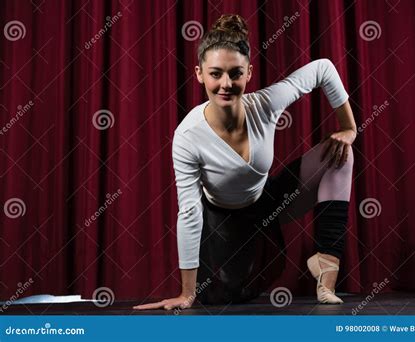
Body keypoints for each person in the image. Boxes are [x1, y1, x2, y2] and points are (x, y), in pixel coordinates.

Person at [134, 13, 356, 311]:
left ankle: (326, 267)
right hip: (223, 223)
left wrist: (349, 127)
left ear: (249, 73)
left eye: (235, 73)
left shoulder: (264, 104)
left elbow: (323, 69)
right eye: (215, 74)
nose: (225, 84)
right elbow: (188, 212)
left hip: (268, 202)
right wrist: (187, 293)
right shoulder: (188, 136)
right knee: (221, 299)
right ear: (199, 74)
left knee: (340, 154)